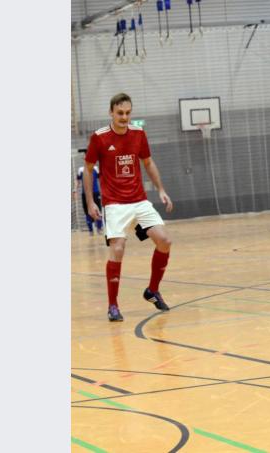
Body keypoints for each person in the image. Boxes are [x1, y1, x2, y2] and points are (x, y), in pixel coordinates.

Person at [84, 93, 175, 322]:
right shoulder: (99, 138)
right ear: (111, 113)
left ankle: (152, 290)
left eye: (127, 113)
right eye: (120, 113)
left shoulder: (138, 134)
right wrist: (90, 201)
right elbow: (88, 169)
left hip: (139, 200)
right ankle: (113, 306)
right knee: (118, 248)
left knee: (164, 240)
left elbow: (148, 162)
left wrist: (161, 189)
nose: (124, 117)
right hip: (114, 203)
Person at [74, 164, 104, 234]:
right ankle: (91, 230)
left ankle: (99, 228)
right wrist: (75, 190)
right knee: (87, 211)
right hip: (85, 194)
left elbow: (101, 179)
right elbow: (77, 180)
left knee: (98, 210)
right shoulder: (81, 169)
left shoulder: (96, 168)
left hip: (96, 193)